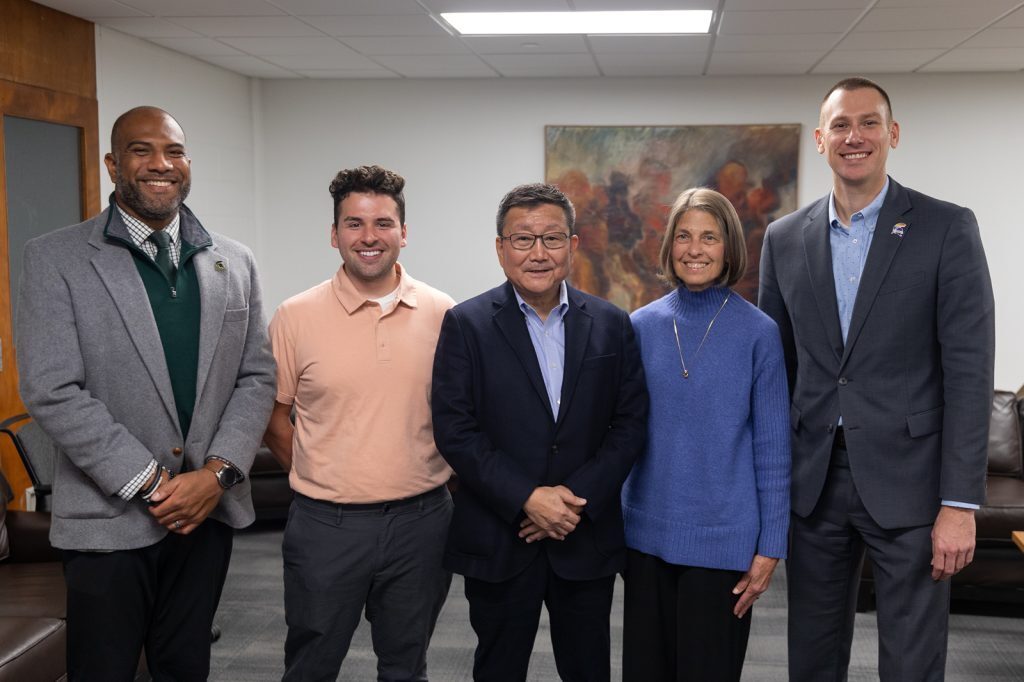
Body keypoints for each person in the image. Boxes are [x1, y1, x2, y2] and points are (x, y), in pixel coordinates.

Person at [15, 106, 276, 680]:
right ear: (113, 164)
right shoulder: (54, 258)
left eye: (174, 152)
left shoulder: (234, 261)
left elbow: (256, 377)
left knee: (187, 666)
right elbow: (51, 389)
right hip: (110, 518)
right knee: (103, 670)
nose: (161, 164)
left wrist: (216, 475)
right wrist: (156, 485)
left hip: (205, 515)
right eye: (141, 150)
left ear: (187, 164)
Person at [758, 77, 995, 680]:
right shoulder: (784, 239)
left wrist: (959, 503)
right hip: (814, 485)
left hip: (912, 484)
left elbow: (969, 372)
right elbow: (775, 372)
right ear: (820, 139)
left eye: (868, 123)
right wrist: (770, 491)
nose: (854, 136)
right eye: (840, 124)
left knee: (911, 662)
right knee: (811, 656)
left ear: (892, 134)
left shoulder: (946, 228)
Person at [431, 183, 649, 682]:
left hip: (583, 535)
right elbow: (455, 429)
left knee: (589, 667)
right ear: (500, 248)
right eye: (523, 239)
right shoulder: (466, 324)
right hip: (500, 536)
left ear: (572, 246)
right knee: (498, 668)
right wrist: (527, 497)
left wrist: (571, 500)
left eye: (551, 239)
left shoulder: (612, 324)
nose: (538, 253)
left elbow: (629, 424)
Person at [264, 165, 455, 681]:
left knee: (406, 665)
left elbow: (462, 419)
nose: (369, 237)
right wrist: (320, 471)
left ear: (404, 232)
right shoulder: (294, 316)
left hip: (422, 523)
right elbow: (274, 417)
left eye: (383, 224)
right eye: (354, 224)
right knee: (311, 663)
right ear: (334, 234)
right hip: (326, 526)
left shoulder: (445, 314)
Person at [621, 187, 790, 681]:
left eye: (709, 237)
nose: (695, 249)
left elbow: (773, 450)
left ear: (728, 246)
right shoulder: (640, 326)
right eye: (684, 236)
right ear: (670, 246)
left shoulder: (759, 333)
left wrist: (771, 546)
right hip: (645, 539)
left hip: (723, 546)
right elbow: (621, 436)